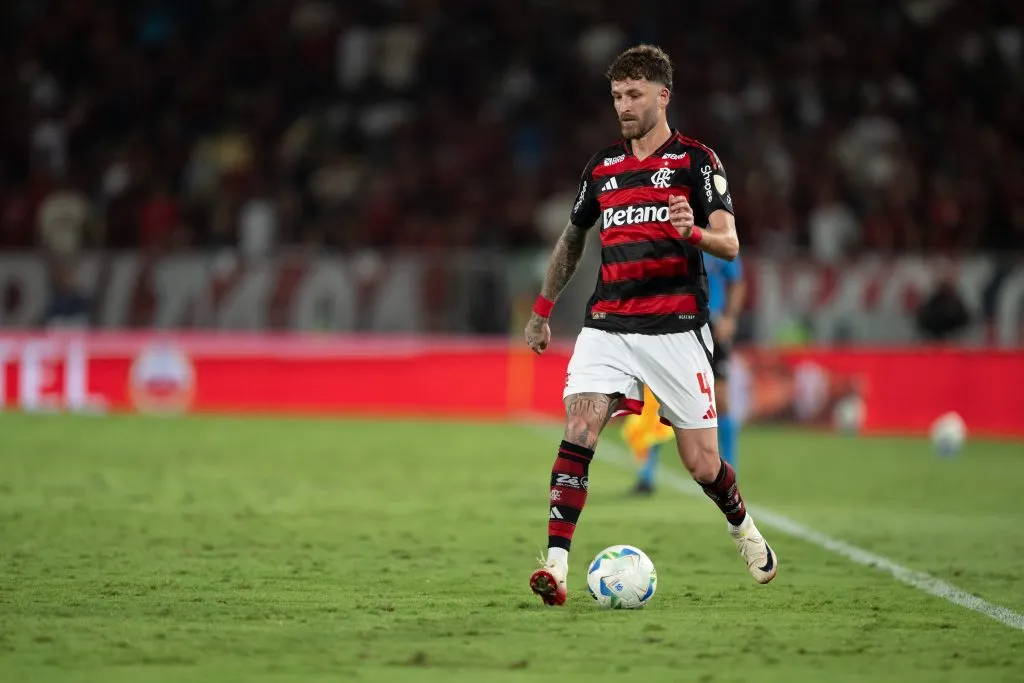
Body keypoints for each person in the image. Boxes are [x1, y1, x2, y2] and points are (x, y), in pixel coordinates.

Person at [524, 44, 777, 606]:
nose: (623, 105)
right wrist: (543, 311)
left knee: (701, 464)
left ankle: (744, 528)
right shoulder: (603, 167)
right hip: (608, 324)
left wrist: (692, 234)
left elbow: (730, 244)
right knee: (580, 428)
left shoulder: (696, 162)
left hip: (676, 328)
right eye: (617, 96)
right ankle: (557, 567)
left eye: (634, 95)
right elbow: (572, 241)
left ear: (663, 96)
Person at [628, 253, 745, 493]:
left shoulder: (717, 235)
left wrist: (730, 318)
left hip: (712, 326)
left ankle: (729, 470)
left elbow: (737, 282)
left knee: (720, 399)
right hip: (673, 324)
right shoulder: (665, 233)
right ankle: (647, 473)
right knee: (659, 398)